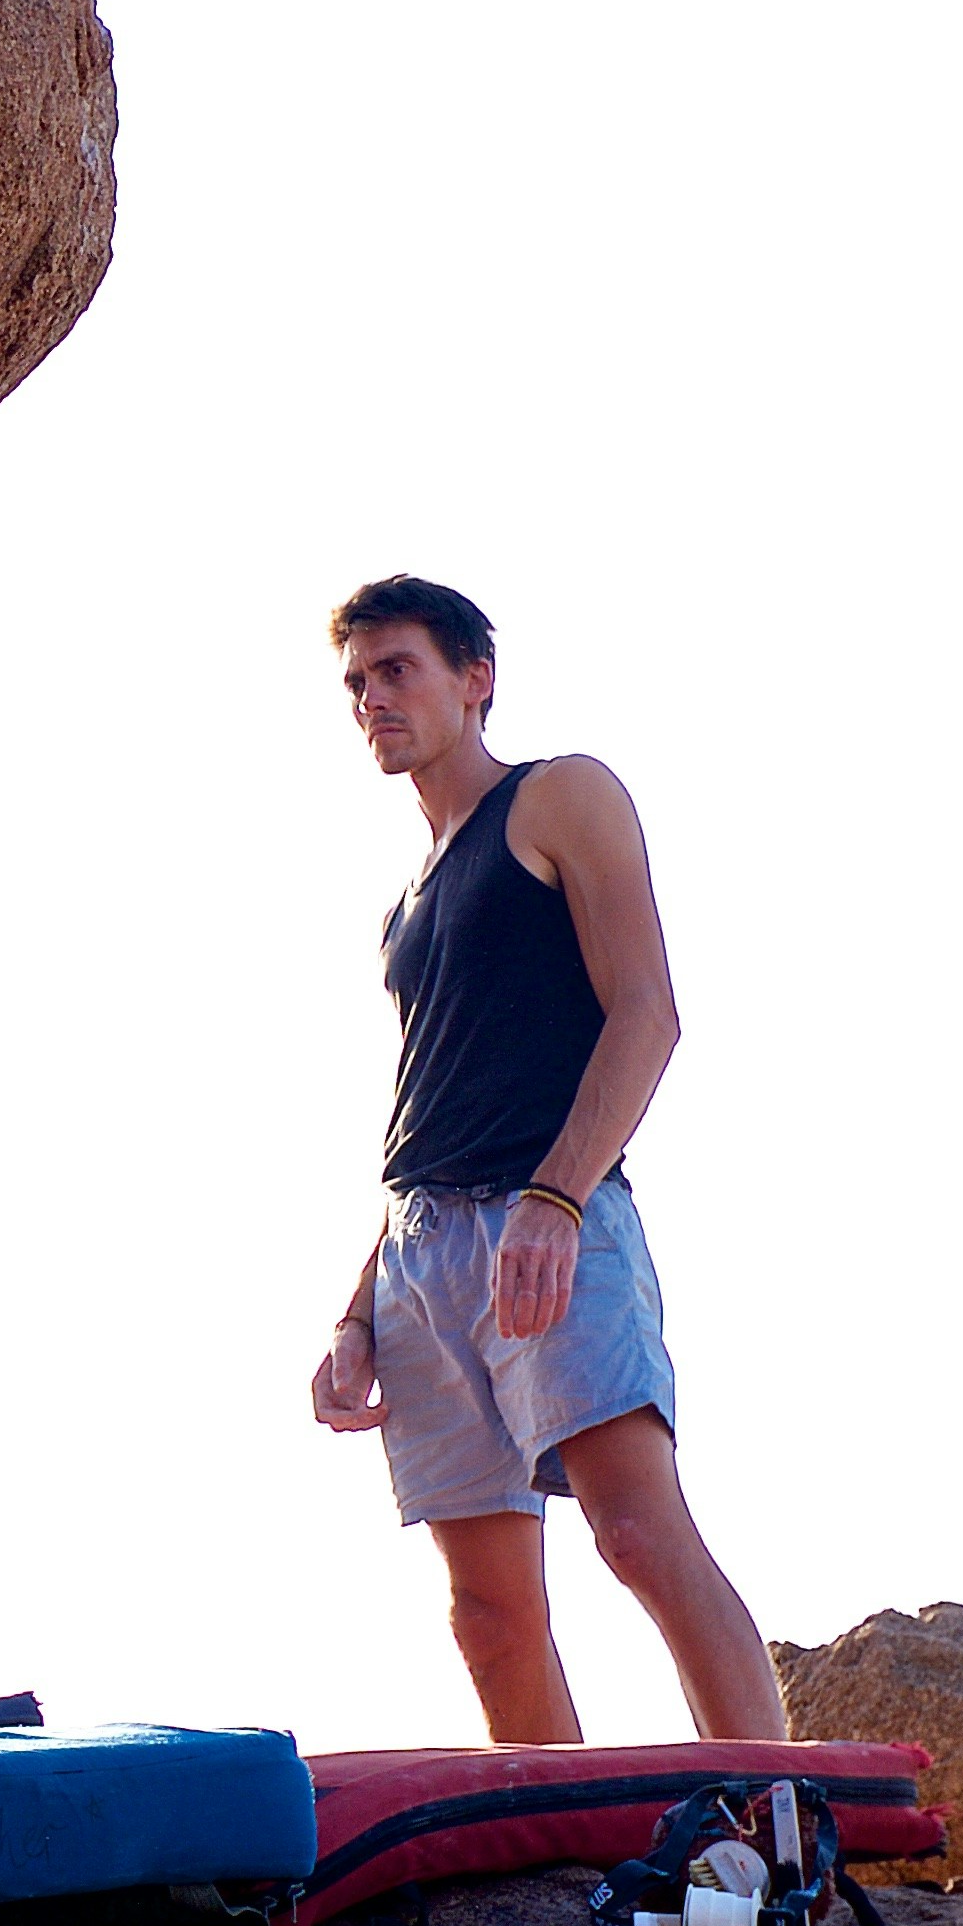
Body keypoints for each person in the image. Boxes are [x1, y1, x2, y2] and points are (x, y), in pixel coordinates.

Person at [303, 575, 786, 1744]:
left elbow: (648, 1013)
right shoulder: (404, 906)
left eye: (397, 669)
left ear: (477, 679)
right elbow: (427, 1107)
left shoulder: (559, 797)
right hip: (422, 1252)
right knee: (488, 1613)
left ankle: (780, 1825)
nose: (373, 698)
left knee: (636, 1535)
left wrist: (556, 1195)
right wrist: (355, 1312)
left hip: (550, 1218)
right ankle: (554, 1879)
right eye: (356, 682)